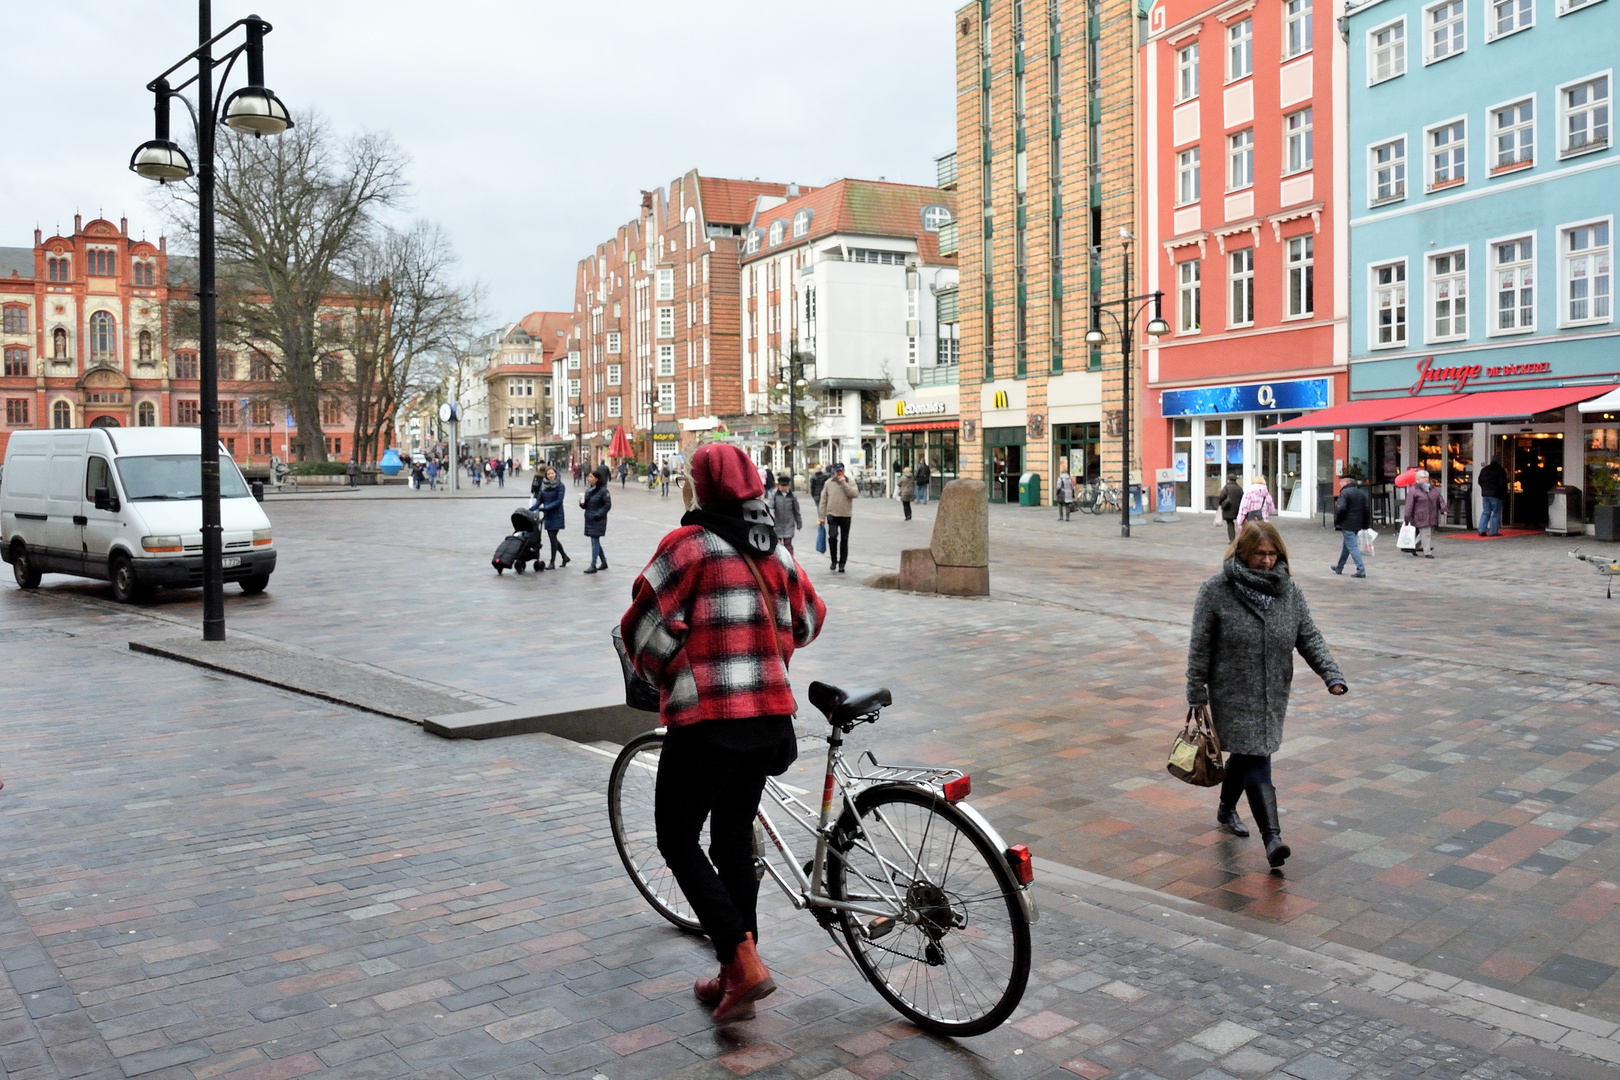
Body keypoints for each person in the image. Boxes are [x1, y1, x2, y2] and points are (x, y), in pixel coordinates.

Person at [621, 443, 825, 1024]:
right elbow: (809, 620)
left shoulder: (686, 548)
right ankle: (740, 970)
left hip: (709, 723)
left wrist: (677, 665)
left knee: (676, 836)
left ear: (701, 488)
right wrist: (764, 640)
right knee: (733, 838)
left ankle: (741, 959)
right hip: (769, 723)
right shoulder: (774, 552)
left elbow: (641, 630)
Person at [1187, 522, 1348, 868]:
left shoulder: (1289, 591)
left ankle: (1226, 808)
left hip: (1273, 690)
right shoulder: (1216, 590)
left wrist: (1331, 674)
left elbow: (1309, 636)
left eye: (1272, 554)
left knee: (1246, 754)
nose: (1266, 560)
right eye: (1259, 553)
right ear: (1242, 552)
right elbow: (1200, 646)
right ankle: (1272, 838)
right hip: (1233, 691)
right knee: (1257, 754)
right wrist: (1195, 691)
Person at [817, 462, 858, 572]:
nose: (839, 473)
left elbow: (854, 494)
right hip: (832, 514)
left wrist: (845, 484)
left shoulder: (850, 481)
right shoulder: (828, 483)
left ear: (844, 471)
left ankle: (842, 563)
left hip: (845, 514)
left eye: (841, 471)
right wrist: (821, 516)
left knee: (844, 539)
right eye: (837, 471)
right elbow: (823, 500)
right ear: (834, 471)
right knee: (832, 536)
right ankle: (834, 560)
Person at [1329, 474, 1370, 579]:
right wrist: (1365, 524)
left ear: (1346, 483)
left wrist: (1337, 520)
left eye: (1341, 482)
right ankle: (1339, 567)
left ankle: (1361, 570)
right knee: (1346, 546)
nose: (1340, 484)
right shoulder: (1360, 493)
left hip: (1347, 523)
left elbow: (1341, 508)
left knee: (1352, 546)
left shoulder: (1344, 493)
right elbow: (1366, 510)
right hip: (1357, 523)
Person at [1404, 469, 1445, 558]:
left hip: (1431, 514)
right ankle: (1427, 552)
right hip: (1420, 515)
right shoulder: (1414, 489)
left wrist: (1443, 509)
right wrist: (1407, 516)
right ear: (1418, 479)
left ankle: (1412, 546)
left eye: (1427, 477)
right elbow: (1409, 504)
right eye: (1423, 478)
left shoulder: (1432, 488)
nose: (1426, 479)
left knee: (1425, 533)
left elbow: (1439, 499)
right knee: (1426, 534)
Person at [536, 467, 569, 568]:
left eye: (552, 473)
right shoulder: (544, 485)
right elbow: (539, 499)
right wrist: (534, 507)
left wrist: (546, 508)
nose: (551, 476)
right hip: (548, 515)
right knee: (553, 538)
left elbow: (559, 501)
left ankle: (552, 562)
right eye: (549, 474)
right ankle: (564, 557)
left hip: (557, 514)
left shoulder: (560, 486)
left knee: (552, 537)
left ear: (556, 473)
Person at [581, 464, 612, 573]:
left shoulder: (603, 491)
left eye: (591, 477)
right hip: (589, 518)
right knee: (595, 541)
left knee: (594, 541)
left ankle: (593, 564)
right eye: (589, 477)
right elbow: (587, 505)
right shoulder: (589, 490)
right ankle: (603, 562)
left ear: (597, 479)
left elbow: (607, 505)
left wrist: (598, 515)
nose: (589, 479)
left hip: (598, 519)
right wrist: (582, 504)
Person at [770, 474, 801, 553]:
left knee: (788, 543)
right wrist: (772, 514)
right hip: (777, 523)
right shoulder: (775, 495)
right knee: (778, 544)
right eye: (781, 486)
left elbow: (796, 510)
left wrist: (799, 522)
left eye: (784, 486)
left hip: (789, 523)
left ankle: (790, 559)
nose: (783, 488)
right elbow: (770, 506)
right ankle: (779, 561)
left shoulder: (792, 496)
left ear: (788, 486)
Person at [1477, 457, 1507, 537]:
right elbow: (1502, 483)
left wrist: (1484, 488)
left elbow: (1479, 481)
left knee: (1486, 512)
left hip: (1485, 494)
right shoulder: (1500, 471)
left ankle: (1481, 530)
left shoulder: (1484, 470)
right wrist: (1503, 493)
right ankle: (1493, 532)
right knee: (1496, 513)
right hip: (1496, 495)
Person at [1217, 474, 1245, 542]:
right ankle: (1242, 538)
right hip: (1238, 508)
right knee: (1241, 523)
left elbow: (1222, 496)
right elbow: (1243, 497)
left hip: (1228, 508)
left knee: (1230, 523)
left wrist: (1220, 503)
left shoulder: (1226, 487)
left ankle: (1232, 539)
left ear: (1228, 480)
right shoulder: (1239, 488)